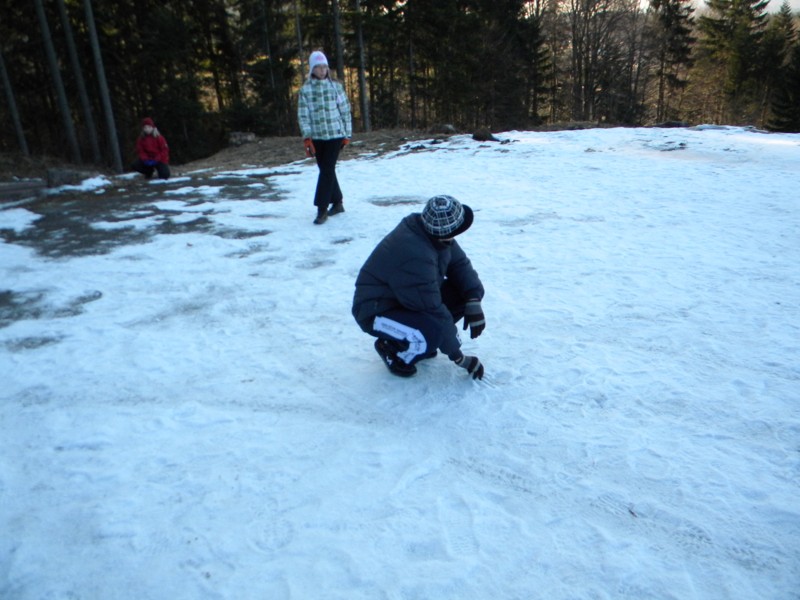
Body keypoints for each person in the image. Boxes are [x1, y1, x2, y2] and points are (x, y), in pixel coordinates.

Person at [352, 195, 486, 379]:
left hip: (404, 299)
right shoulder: (415, 255)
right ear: (445, 231)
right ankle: (393, 350)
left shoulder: (435, 234)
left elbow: (460, 265)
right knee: (430, 333)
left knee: (459, 296)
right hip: (374, 311)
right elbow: (433, 310)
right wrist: (458, 357)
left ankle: (417, 340)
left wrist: (473, 299)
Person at [297, 50, 352, 225]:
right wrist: (307, 138)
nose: (322, 70)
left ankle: (322, 209)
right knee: (326, 170)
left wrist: (347, 135)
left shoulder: (336, 87)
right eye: (318, 67)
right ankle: (337, 203)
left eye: (324, 67)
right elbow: (303, 115)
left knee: (327, 170)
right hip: (317, 138)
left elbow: (345, 111)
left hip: (336, 135)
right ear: (312, 69)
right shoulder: (305, 90)